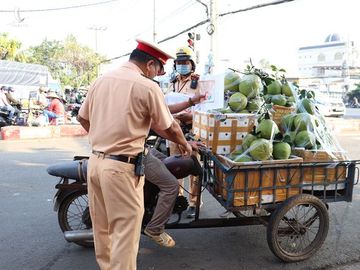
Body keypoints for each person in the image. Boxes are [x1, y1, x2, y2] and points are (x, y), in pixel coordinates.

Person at [77, 39, 192, 270]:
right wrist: (185, 145)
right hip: (121, 169)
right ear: (150, 64)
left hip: (96, 164)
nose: (157, 75)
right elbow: (169, 126)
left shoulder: (101, 80)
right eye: (158, 70)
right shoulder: (147, 86)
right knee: (124, 234)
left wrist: (105, 141)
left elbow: (83, 117)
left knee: (103, 230)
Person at [167, 46, 203, 218]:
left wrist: (190, 115)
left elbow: (204, 106)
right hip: (174, 129)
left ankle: (194, 203)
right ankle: (177, 200)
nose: (182, 65)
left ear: (191, 64)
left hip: (192, 129)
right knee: (175, 166)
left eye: (185, 62)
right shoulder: (173, 82)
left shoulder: (198, 82)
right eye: (179, 62)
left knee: (194, 167)